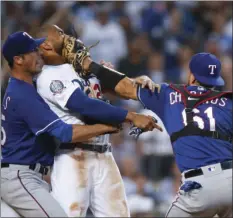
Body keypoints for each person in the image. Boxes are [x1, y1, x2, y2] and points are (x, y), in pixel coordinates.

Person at [78, 51, 232, 218]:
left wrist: (91, 66)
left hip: (199, 188)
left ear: (192, 76)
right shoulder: (229, 103)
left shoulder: (169, 94)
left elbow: (124, 87)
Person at [35, 25, 161, 217]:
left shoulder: (77, 67)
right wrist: (132, 117)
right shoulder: (47, 77)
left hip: (104, 154)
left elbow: (105, 90)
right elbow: (83, 104)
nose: (67, 36)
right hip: (73, 157)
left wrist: (135, 81)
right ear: (46, 45)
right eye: (60, 34)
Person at [1, 31, 124, 217]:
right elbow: (64, 132)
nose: (39, 53)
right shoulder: (22, 94)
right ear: (18, 59)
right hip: (19, 177)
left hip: (25, 176)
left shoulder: (26, 87)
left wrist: (94, 78)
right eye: (33, 50)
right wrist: (107, 126)